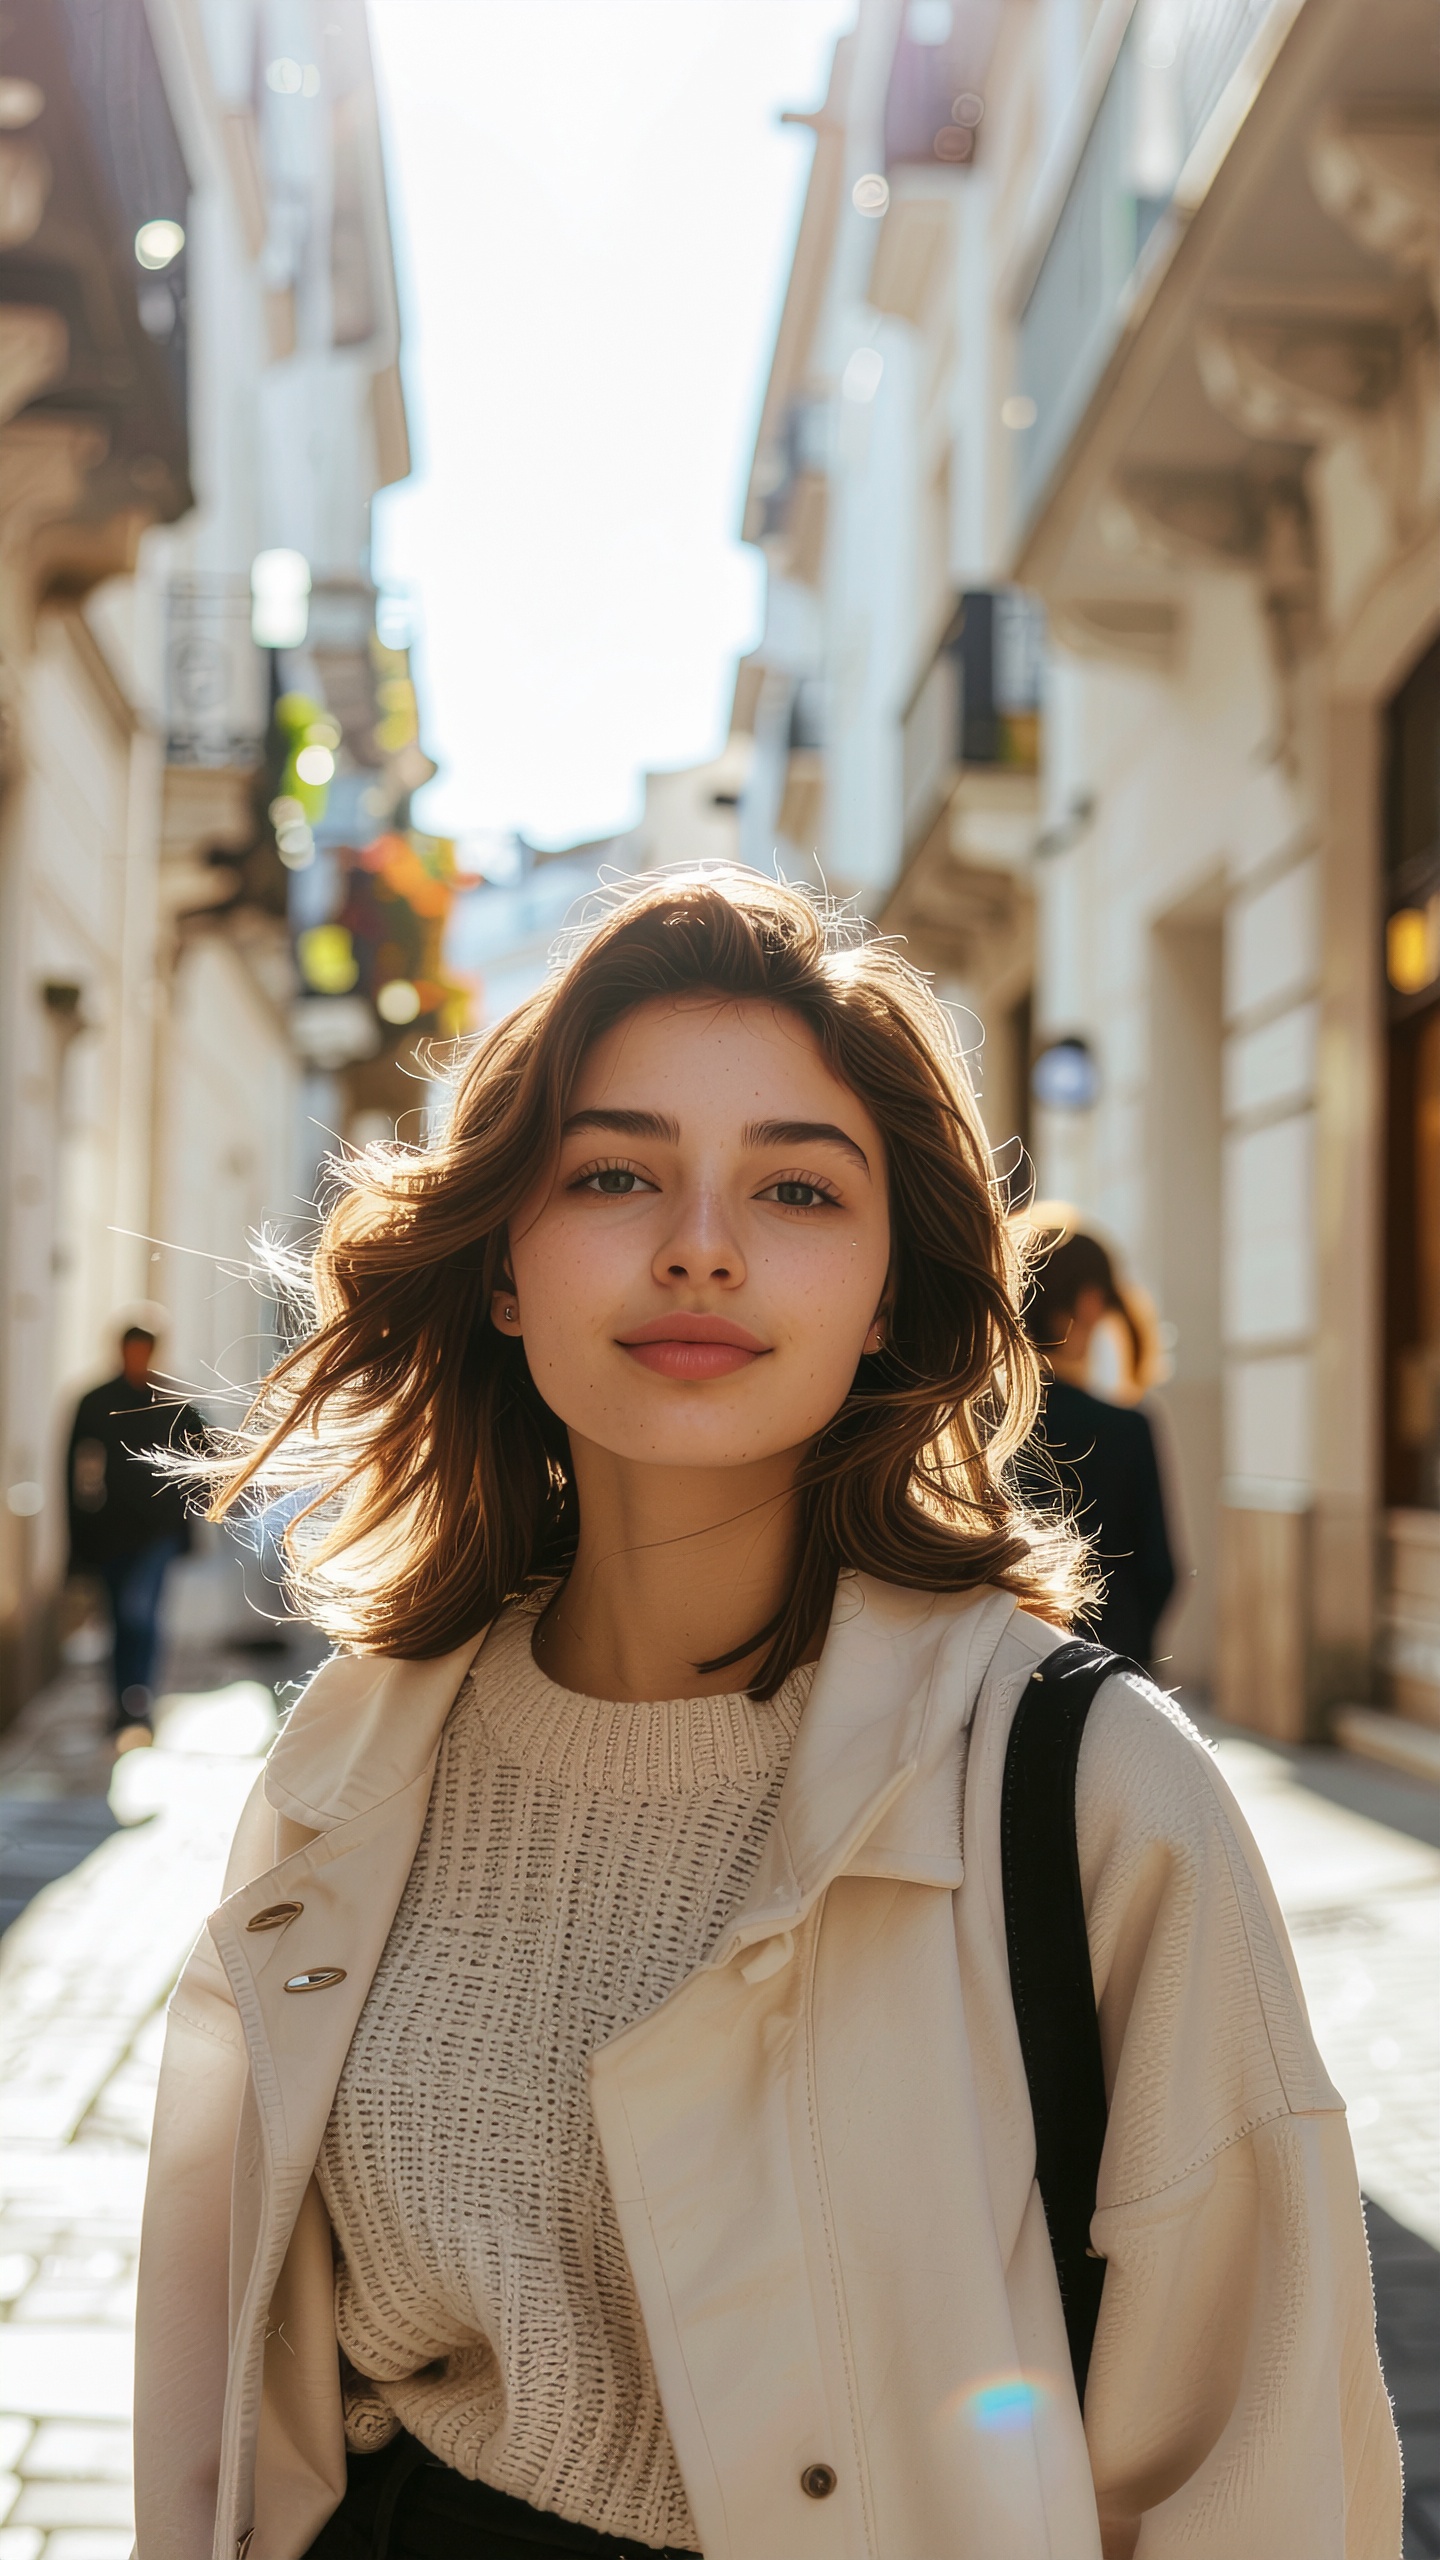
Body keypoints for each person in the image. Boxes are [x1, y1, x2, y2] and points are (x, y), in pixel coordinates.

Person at [134, 875, 1398, 2560]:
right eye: (613, 1173)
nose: (701, 1243)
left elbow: (1262, 2493)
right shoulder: (350, 1765)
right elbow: (232, 2418)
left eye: (797, 1186)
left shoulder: (1093, 1795)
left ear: (890, 1292)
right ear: (503, 1263)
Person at [1021, 1225, 1178, 1665]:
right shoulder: (1126, 1429)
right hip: (1107, 1668)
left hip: (1002, 1677)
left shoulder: (979, 1427)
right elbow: (1159, 1572)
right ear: (1090, 1303)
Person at [66, 1323, 205, 1748]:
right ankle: (122, 1704)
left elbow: (204, 1460)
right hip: (109, 1532)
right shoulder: (95, 1402)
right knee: (118, 1619)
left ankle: (139, 1701)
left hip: (156, 1533)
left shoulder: (172, 1402)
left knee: (139, 1614)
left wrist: (190, 1521)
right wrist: (77, 1536)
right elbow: (71, 1471)